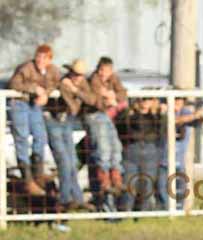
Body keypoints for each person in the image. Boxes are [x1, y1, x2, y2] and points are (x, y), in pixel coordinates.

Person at [8, 44, 60, 196]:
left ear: (50, 59)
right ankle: (27, 178)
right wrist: (34, 88)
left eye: (44, 57)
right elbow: (14, 83)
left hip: (34, 105)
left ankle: (38, 173)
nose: (40, 60)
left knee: (40, 136)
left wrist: (46, 94)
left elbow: (57, 82)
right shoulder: (26, 68)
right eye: (39, 56)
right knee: (22, 138)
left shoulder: (53, 70)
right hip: (20, 103)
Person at [45, 59, 97, 211]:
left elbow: (92, 99)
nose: (77, 78)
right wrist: (73, 92)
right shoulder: (63, 82)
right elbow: (73, 106)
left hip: (67, 121)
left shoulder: (79, 84)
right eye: (75, 74)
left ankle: (77, 198)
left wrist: (75, 91)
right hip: (54, 119)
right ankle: (65, 199)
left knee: (72, 161)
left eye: (79, 75)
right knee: (64, 161)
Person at [84, 56, 128, 197]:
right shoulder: (93, 80)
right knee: (103, 149)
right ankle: (105, 181)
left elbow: (123, 93)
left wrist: (112, 96)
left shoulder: (113, 78)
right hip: (95, 115)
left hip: (105, 115)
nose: (104, 73)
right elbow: (95, 99)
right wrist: (108, 101)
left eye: (107, 70)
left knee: (116, 147)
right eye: (102, 70)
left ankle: (116, 178)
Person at [157, 95, 203, 210]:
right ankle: (166, 210)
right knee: (162, 187)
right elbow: (173, 121)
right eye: (175, 99)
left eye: (179, 99)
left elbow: (201, 120)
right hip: (163, 160)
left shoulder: (186, 112)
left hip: (179, 160)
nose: (177, 102)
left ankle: (178, 210)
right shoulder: (164, 112)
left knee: (180, 187)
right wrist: (194, 115)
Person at [118, 97, 161, 211]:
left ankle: (142, 213)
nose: (145, 102)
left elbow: (160, 133)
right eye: (143, 99)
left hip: (150, 151)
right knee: (129, 183)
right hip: (131, 151)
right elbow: (124, 130)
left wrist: (157, 113)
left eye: (149, 99)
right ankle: (125, 211)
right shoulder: (129, 115)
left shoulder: (157, 116)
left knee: (147, 185)